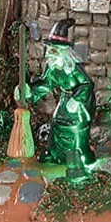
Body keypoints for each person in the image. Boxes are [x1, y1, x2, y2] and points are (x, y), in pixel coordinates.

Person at [15, 19, 97, 182]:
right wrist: (29, 91)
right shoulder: (52, 68)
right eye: (49, 50)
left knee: (75, 128)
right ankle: (56, 154)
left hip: (79, 103)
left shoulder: (73, 68)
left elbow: (87, 84)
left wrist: (77, 99)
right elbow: (46, 83)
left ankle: (79, 157)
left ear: (63, 52)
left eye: (53, 51)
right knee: (57, 124)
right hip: (65, 99)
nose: (49, 55)